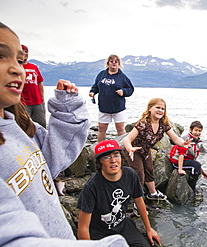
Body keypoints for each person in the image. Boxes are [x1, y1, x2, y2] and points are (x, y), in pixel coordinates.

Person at [0, 22, 129, 246]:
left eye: (20, 61)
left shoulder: (19, 127)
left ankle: (115, 147)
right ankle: (102, 149)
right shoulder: (101, 74)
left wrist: (67, 110)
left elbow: (53, 158)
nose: (18, 69)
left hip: (62, 236)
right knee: (100, 131)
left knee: (119, 131)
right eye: (1, 56)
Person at [77, 140, 161, 247]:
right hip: (100, 233)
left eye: (116, 155)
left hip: (123, 225)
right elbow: (83, 227)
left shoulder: (130, 174)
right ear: (99, 162)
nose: (113, 160)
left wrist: (149, 229)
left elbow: (139, 202)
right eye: (106, 157)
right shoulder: (91, 187)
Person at [123, 98, 192, 201]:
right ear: (150, 108)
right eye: (157, 107)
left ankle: (152, 193)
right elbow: (127, 139)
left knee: (149, 171)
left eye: (162, 108)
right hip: (134, 151)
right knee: (139, 174)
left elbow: (175, 138)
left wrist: (183, 143)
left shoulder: (163, 124)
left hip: (146, 151)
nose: (160, 110)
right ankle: (136, 200)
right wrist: (130, 149)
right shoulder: (143, 123)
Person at [89, 55, 134, 142]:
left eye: (116, 61)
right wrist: (92, 92)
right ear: (108, 63)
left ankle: (122, 147)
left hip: (118, 108)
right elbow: (96, 86)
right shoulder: (101, 74)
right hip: (104, 107)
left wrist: (123, 92)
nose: (114, 63)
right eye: (111, 61)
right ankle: (100, 147)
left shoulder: (122, 77)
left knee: (120, 129)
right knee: (101, 129)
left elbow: (130, 89)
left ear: (119, 64)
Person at [169, 121, 207, 190]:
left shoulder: (196, 141)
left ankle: (192, 185)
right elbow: (181, 154)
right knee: (196, 167)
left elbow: (193, 158)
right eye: (196, 130)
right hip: (176, 161)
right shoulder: (186, 139)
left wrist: (203, 172)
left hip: (186, 159)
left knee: (197, 165)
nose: (198, 133)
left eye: (200, 131)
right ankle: (191, 188)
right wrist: (180, 169)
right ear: (190, 130)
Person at [20, 44, 47, 128]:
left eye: (26, 51)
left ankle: (41, 140)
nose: (24, 53)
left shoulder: (34, 67)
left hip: (37, 101)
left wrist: (42, 97)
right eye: (22, 51)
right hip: (23, 102)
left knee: (41, 123)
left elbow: (39, 82)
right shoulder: (16, 67)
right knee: (25, 125)